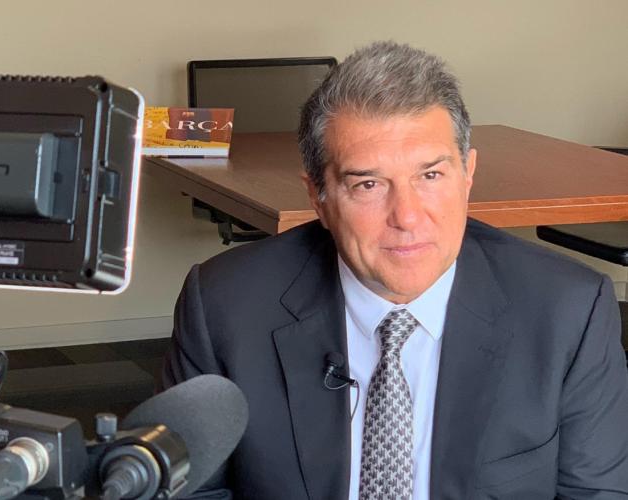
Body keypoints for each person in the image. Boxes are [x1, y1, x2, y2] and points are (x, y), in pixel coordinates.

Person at [163, 41, 628, 499]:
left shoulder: (568, 311)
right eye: (368, 184)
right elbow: (193, 491)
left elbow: (596, 493)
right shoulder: (223, 305)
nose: (406, 217)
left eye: (430, 176)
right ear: (318, 197)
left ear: (467, 174)